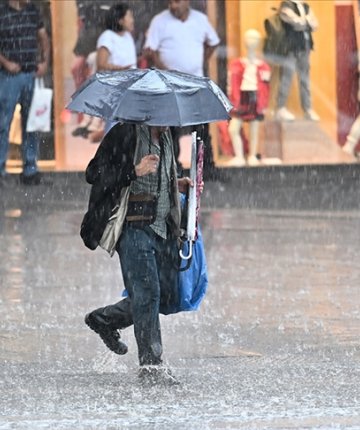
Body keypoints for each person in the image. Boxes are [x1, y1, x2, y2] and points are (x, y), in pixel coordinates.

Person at [82, 122, 193, 384]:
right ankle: (151, 367)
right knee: (148, 294)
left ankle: (104, 320)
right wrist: (133, 171)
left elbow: (157, 179)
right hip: (133, 227)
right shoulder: (125, 133)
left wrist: (175, 184)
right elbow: (94, 172)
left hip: (163, 227)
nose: (168, 118)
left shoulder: (167, 137)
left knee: (163, 294)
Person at [144, 0, 222, 181]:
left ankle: (206, 166)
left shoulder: (200, 20)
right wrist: (166, 71)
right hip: (169, 85)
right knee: (171, 128)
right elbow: (150, 50)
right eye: (170, 2)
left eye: (177, 2)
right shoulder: (160, 21)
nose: (173, 6)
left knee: (201, 126)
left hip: (195, 83)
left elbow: (213, 42)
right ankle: (174, 167)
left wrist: (202, 60)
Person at [0, 0, 50, 185]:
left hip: (31, 74)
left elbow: (43, 37)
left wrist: (45, 61)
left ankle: (30, 170)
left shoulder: (32, 11)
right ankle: (0, 169)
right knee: (3, 123)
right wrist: (6, 62)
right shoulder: (2, 12)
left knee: (32, 123)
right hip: (8, 76)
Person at [75, 2, 137, 143]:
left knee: (128, 131)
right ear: (120, 20)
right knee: (114, 129)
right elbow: (102, 64)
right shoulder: (107, 37)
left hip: (129, 91)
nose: (133, 20)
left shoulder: (128, 37)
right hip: (114, 91)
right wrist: (121, 70)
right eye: (129, 16)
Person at [228, 29, 271, 166]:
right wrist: (232, 100)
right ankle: (239, 156)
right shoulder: (236, 64)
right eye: (249, 38)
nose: (251, 42)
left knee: (254, 128)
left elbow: (265, 87)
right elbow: (231, 83)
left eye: (255, 39)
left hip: (255, 97)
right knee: (234, 128)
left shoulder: (263, 66)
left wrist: (263, 104)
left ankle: (252, 155)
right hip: (240, 97)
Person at [275, 0, 319, 122]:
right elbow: (296, 23)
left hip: (305, 47)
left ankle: (308, 109)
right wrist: (307, 21)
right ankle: (280, 108)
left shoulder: (306, 6)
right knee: (286, 78)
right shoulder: (286, 5)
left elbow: (315, 25)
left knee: (305, 79)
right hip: (290, 48)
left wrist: (304, 21)